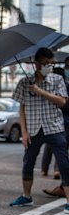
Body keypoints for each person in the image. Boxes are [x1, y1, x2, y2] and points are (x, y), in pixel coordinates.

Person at [10, 47, 69, 214]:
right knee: (28, 162)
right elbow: (21, 108)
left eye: (50, 63)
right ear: (36, 64)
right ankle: (26, 196)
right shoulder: (24, 82)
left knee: (64, 164)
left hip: (54, 127)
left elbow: (62, 102)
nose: (48, 66)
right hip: (34, 129)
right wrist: (23, 132)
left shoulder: (57, 79)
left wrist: (39, 91)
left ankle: (68, 201)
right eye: (45, 63)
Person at [42, 65, 69, 197]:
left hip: (63, 124)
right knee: (60, 150)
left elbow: (63, 103)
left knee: (60, 150)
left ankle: (63, 186)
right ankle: (63, 186)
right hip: (61, 124)